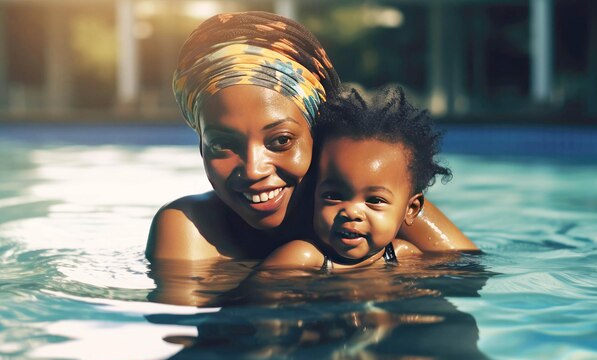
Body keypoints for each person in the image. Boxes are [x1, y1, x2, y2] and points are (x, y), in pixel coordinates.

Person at [146, 11, 477, 262]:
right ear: (200, 143)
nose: (253, 169)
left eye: (280, 141)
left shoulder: (374, 199)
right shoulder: (190, 229)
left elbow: (469, 279)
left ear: (318, 133)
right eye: (221, 144)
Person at [261, 86, 451, 270]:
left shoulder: (404, 256)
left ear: (411, 209)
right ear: (314, 193)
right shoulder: (300, 259)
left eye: (374, 200)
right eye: (334, 196)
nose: (351, 212)